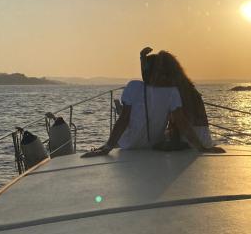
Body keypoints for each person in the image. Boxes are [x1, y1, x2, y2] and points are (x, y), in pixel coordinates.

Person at [82, 49, 224, 156]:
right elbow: (182, 122)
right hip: (153, 143)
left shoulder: (133, 86)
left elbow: (123, 120)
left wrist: (107, 147)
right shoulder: (172, 92)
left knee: (125, 114)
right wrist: (202, 148)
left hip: (128, 144)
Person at [155, 50, 214, 148]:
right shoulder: (187, 86)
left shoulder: (172, 90)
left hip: (191, 139)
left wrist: (200, 148)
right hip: (205, 137)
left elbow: (181, 121)